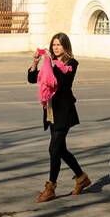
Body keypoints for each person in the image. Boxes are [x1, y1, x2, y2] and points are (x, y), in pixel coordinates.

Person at [28, 33, 92, 203]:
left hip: (64, 111)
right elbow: (32, 78)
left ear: (65, 46)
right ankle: (81, 177)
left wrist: (50, 62)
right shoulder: (49, 64)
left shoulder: (71, 63)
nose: (56, 47)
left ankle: (50, 188)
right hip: (50, 111)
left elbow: (63, 81)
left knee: (53, 149)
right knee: (61, 150)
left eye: (59, 45)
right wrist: (36, 62)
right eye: (53, 45)